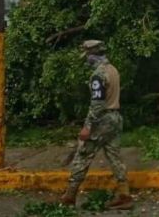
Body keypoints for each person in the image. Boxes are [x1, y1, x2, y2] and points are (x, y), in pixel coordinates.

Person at [58, 40, 132, 210]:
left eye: (87, 56)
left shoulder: (98, 75)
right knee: (115, 157)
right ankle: (124, 195)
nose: (86, 60)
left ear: (93, 55)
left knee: (83, 155)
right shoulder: (113, 69)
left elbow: (97, 104)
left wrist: (87, 127)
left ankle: (69, 196)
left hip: (101, 120)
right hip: (115, 118)